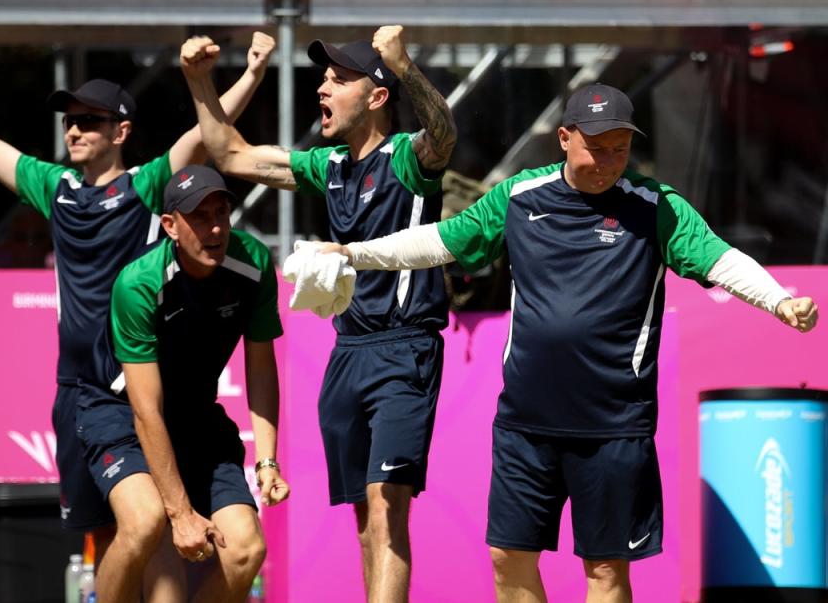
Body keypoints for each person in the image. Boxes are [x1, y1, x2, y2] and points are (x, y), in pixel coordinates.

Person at [314, 83, 819, 603]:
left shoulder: (656, 206)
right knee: (507, 560)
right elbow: (438, 241)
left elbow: (720, 259)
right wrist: (354, 253)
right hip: (525, 423)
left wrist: (779, 300)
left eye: (619, 148)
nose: (608, 160)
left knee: (604, 572)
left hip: (614, 428)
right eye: (596, 147)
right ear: (562, 137)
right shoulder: (519, 196)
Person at [0, 34, 275, 570]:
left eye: (90, 120)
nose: (74, 129)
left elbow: (204, 136)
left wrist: (250, 74)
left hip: (137, 387)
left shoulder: (148, 188)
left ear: (122, 131)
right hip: (79, 392)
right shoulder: (56, 186)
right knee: (107, 543)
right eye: (70, 120)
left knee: (152, 533)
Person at [180, 25, 457, 603]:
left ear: (377, 97)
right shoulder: (329, 165)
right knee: (364, 522)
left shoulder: (408, 157)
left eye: (338, 80)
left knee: (386, 511)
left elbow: (444, 132)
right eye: (323, 80)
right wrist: (199, 82)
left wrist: (403, 66)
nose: (322, 91)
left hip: (404, 348)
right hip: (347, 353)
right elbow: (229, 153)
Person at [76, 165, 289, 603]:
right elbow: (145, 410)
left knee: (247, 551)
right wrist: (181, 513)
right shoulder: (139, 284)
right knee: (145, 522)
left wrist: (267, 461)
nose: (215, 228)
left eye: (221, 213)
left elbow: (262, 367)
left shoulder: (252, 263)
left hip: (195, 414)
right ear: (170, 226)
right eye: (199, 217)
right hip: (118, 410)